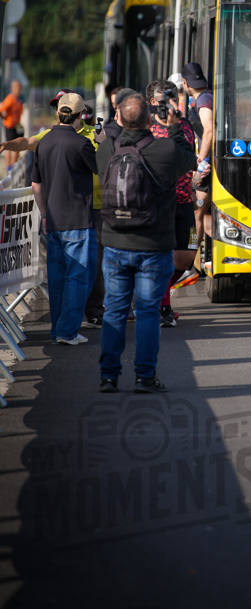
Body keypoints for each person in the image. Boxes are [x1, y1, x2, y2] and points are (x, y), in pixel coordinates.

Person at [96, 94, 197, 393]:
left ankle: (108, 377)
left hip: (115, 242)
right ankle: (144, 377)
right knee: (148, 312)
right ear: (149, 120)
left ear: (120, 117)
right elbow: (189, 160)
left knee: (115, 311)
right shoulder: (165, 148)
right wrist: (174, 126)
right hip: (154, 244)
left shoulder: (107, 148)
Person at [31, 93, 98, 345]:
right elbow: (102, 169)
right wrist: (103, 142)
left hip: (53, 219)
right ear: (80, 117)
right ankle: (67, 331)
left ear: (58, 113)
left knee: (58, 278)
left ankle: (58, 330)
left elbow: (36, 184)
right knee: (80, 277)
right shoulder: (82, 143)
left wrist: (44, 214)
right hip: (79, 219)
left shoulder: (44, 142)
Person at [148, 79, 197, 326]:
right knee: (164, 258)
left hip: (186, 199)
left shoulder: (185, 125)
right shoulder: (147, 129)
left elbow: (190, 156)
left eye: (174, 99)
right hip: (160, 203)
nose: (170, 104)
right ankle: (163, 306)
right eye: (165, 99)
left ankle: (157, 296)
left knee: (188, 256)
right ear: (152, 102)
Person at [181, 62, 214, 244]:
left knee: (197, 214)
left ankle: (191, 255)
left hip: (205, 166)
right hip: (209, 164)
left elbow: (208, 130)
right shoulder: (208, 96)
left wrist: (199, 163)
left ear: (185, 83)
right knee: (202, 214)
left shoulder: (202, 99)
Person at [0, 80, 24, 169]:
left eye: (19, 87)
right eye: (16, 87)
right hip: (9, 126)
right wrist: (4, 117)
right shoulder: (10, 99)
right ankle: (8, 168)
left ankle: (14, 166)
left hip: (16, 126)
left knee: (17, 147)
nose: (18, 89)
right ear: (12, 88)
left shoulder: (19, 100)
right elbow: (1, 109)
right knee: (8, 147)